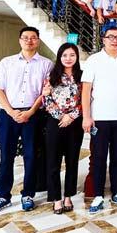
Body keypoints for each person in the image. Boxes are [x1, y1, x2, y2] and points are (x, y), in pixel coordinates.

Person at [0, 27, 53, 215]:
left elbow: (45, 92)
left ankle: (28, 194)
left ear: (38, 41)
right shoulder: (7, 62)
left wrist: (30, 112)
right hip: (8, 114)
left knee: (31, 155)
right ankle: (3, 196)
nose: (29, 41)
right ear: (20, 40)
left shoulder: (47, 64)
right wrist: (11, 111)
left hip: (33, 115)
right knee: (6, 155)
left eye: (33, 38)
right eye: (25, 37)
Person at [81, 27, 117, 214]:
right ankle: (98, 195)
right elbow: (86, 90)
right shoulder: (93, 60)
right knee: (99, 157)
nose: (114, 40)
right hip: (99, 118)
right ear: (103, 40)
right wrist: (87, 116)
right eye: (110, 37)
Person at [40, 43, 83, 215]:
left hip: (75, 123)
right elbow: (46, 99)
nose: (68, 58)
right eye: (65, 55)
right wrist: (60, 116)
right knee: (53, 161)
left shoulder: (82, 76)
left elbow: (87, 99)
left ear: (77, 57)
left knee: (72, 161)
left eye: (72, 55)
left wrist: (71, 116)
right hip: (55, 123)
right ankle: (56, 198)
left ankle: (68, 196)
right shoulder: (52, 76)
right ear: (59, 57)